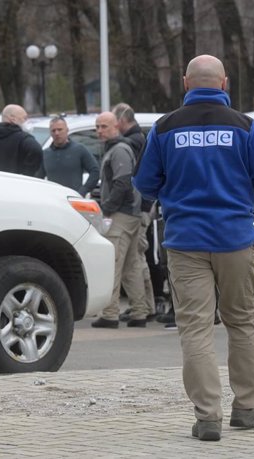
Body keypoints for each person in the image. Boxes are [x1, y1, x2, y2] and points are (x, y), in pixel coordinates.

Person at [133, 54, 254, 441]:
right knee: (242, 322)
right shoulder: (244, 126)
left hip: (185, 243)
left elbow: (146, 184)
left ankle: (207, 417)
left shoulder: (164, 128)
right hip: (235, 239)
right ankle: (247, 407)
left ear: (186, 83)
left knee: (195, 329)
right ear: (224, 83)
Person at [91, 111, 150, 329]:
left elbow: (122, 183)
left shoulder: (119, 150)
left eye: (104, 126)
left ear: (116, 126)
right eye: (97, 126)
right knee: (131, 265)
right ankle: (139, 311)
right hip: (129, 213)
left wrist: (106, 209)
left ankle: (111, 313)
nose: (99, 130)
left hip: (121, 215)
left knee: (114, 264)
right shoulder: (118, 149)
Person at [112, 103, 159, 323]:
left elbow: (135, 180)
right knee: (138, 258)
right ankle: (147, 306)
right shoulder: (141, 139)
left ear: (121, 121)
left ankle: (145, 305)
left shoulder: (130, 143)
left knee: (135, 260)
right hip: (144, 207)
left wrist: (142, 209)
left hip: (139, 210)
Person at [37, 116, 99, 196]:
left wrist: (83, 191)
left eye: (60, 129)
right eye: (53, 130)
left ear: (67, 130)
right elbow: (38, 179)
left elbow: (95, 171)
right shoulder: (45, 154)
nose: (56, 133)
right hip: (53, 199)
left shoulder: (79, 150)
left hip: (73, 198)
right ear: (50, 133)